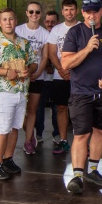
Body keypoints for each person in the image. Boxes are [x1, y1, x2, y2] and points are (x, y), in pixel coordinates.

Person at [61, 0, 102, 194]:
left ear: (101, 12)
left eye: (95, 11)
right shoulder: (74, 33)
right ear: (82, 13)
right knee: (81, 134)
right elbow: (66, 64)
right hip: (81, 92)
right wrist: (87, 48)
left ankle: (94, 170)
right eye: (88, 12)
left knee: (100, 132)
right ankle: (77, 175)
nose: (91, 15)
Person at [0, 8, 37, 180]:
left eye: (11, 19)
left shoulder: (24, 42)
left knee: (14, 127)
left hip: (21, 91)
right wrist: (6, 72)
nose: (8, 22)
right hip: (2, 92)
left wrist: (29, 70)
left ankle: (8, 159)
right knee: (2, 128)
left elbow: (34, 63)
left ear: (16, 21)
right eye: (4, 19)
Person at [16, 2, 50, 155]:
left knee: (32, 109)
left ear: (40, 14)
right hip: (20, 76)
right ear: (27, 13)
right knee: (18, 109)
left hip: (37, 77)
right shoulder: (19, 30)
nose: (34, 14)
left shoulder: (45, 33)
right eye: (31, 12)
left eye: (37, 12)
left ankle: (28, 140)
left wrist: (37, 73)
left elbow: (45, 56)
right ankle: (30, 131)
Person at [47, 0, 79, 154]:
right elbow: (52, 52)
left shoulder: (83, 28)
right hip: (60, 76)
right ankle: (63, 140)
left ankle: (81, 142)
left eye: (72, 9)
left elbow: (86, 52)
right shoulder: (56, 30)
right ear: (62, 11)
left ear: (77, 11)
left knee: (80, 109)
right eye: (66, 9)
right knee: (61, 108)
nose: (69, 12)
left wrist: (72, 71)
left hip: (78, 76)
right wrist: (61, 69)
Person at [35, 10, 60, 144]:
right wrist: (45, 66)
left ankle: (57, 134)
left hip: (56, 79)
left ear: (58, 22)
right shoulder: (42, 35)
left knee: (57, 108)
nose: (50, 24)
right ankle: (38, 134)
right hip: (42, 79)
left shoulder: (60, 35)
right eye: (48, 21)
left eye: (53, 22)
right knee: (39, 108)